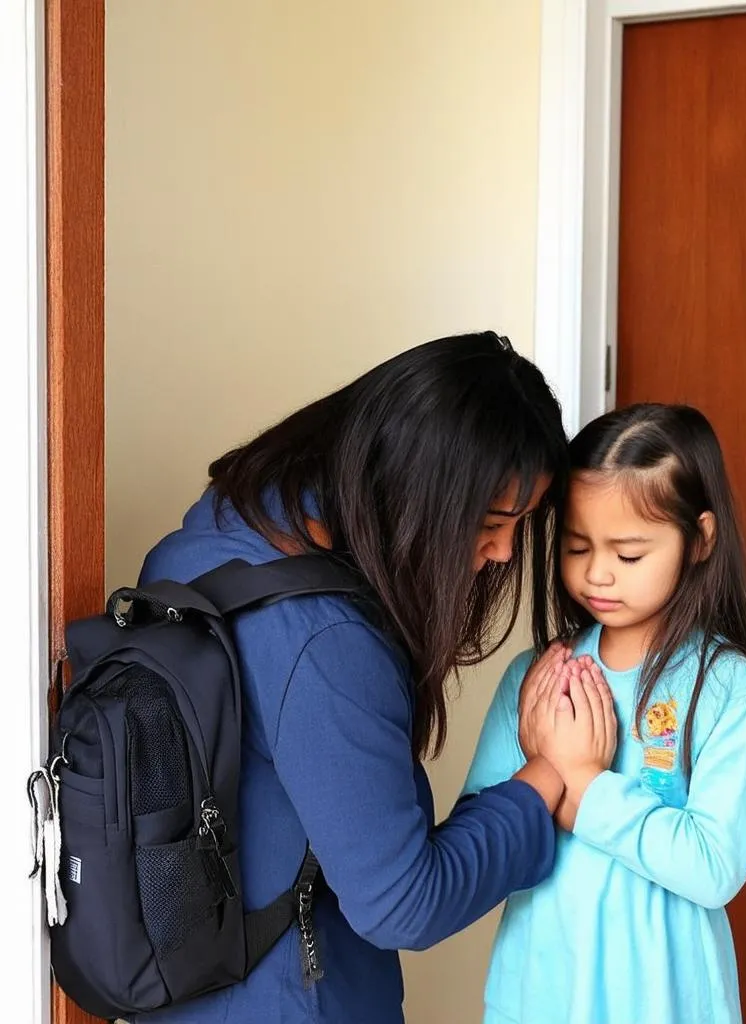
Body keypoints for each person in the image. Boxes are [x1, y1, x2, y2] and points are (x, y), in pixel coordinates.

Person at [135, 332, 615, 1024]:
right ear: (420, 492)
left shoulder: (225, 522)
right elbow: (403, 903)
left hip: (183, 991)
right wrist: (546, 778)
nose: (507, 549)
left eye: (523, 522)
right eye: (491, 521)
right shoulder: (325, 646)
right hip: (290, 1003)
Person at [465, 402, 746, 1024]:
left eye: (629, 554)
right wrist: (543, 766)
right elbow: (479, 846)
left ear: (700, 540)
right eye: (578, 546)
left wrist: (581, 782)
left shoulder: (724, 687)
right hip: (540, 997)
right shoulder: (536, 678)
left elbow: (712, 867)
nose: (598, 573)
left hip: (668, 1003)